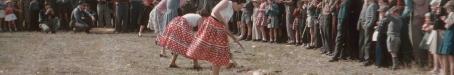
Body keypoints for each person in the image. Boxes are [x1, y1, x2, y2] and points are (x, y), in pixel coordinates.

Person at [186, 0, 244, 75]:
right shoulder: (226, 2)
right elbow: (215, 11)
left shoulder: (231, 11)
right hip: (212, 25)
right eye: (241, 6)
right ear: (236, 2)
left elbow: (225, 28)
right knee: (211, 50)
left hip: (220, 29)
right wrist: (224, 22)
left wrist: (235, 39)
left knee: (219, 54)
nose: (241, 8)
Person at [360, 0, 378, 66]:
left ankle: (367, 59)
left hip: (369, 27)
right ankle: (367, 58)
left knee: (367, 43)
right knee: (367, 42)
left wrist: (368, 25)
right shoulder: (370, 5)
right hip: (367, 26)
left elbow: (373, 17)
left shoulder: (373, 5)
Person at [439, 1, 454, 75]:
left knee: (450, 58)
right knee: (450, 58)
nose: (446, 10)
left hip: (450, 36)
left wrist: (444, 20)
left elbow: (448, 25)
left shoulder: (452, 14)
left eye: (447, 8)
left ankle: (448, 73)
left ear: (450, 8)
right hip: (450, 35)